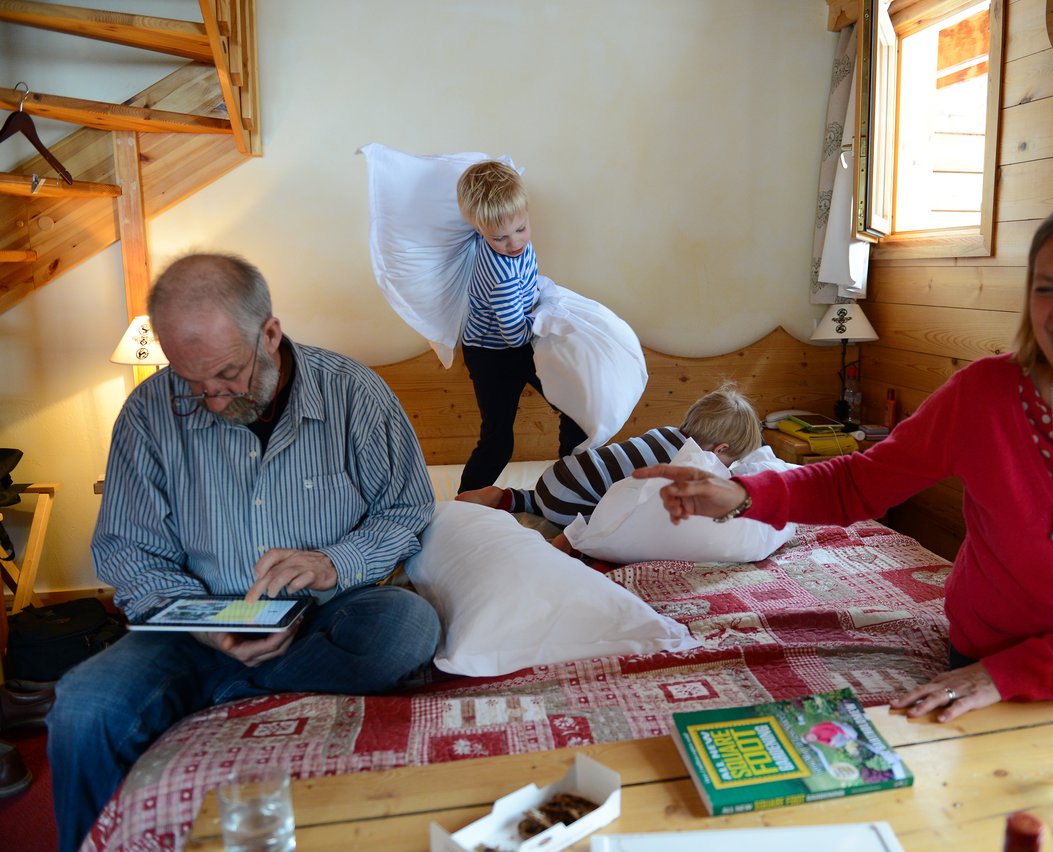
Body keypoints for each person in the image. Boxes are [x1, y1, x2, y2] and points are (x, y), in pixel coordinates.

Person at [635, 188, 1053, 807]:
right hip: (996, 648)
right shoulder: (987, 394)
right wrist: (743, 492)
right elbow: (858, 480)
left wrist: (1004, 676)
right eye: (1046, 289)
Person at [47, 253, 442, 851]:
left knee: (408, 624)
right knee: (81, 708)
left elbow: (407, 509)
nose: (210, 400)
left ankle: (228, 692)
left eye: (228, 375)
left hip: (327, 616)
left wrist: (332, 560)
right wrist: (201, 623)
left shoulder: (354, 395)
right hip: (193, 627)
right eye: (191, 381)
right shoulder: (148, 415)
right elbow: (128, 550)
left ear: (271, 333)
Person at [456, 384, 762, 547]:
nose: (728, 468)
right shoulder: (686, 462)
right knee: (614, 517)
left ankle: (507, 497)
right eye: (729, 461)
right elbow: (646, 508)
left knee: (554, 497)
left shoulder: (665, 433)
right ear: (719, 449)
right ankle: (571, 541)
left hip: (556, 477)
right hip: (573, 500)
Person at [455, 160, 587, 492]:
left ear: (526, 215)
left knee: (577, 410)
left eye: (521, 229)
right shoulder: (500, 274)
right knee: (498, 442)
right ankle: (465, 504)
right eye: (500, 237)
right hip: (493, 355)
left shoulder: (514, 244)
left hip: (518, 343)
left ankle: (569, 485)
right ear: (479, 230)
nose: (514, 242)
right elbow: (513, 333)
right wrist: (545, 320)